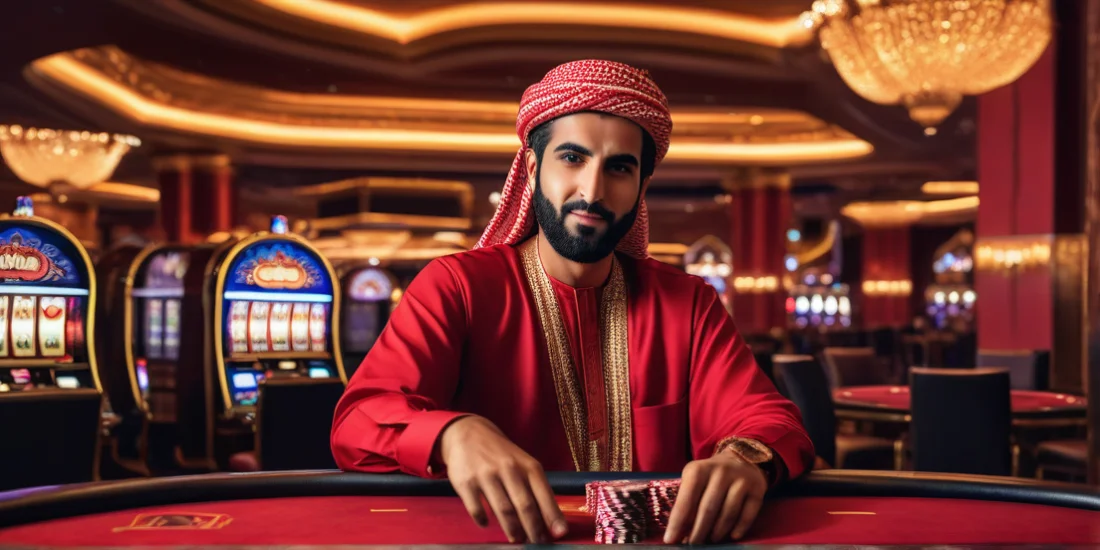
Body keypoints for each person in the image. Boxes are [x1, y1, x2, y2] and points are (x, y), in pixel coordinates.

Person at [331, 60, 815, 545]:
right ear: (533, 168)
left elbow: (768, 418)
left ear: (641, 187)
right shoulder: (456, 285)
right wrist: (452, 435)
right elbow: (359, 421)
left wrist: (746, 458)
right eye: (572, 158)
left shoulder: (688, 303)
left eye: (619, 168)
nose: (593, 190)